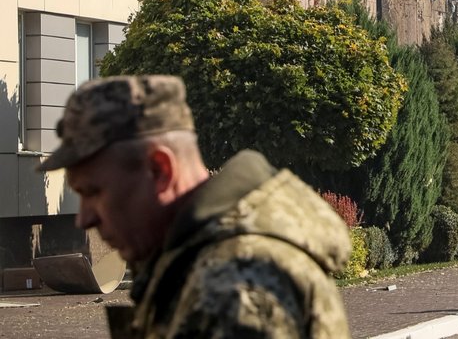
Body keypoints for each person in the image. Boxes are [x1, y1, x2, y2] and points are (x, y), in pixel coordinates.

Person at [37, 75, 352, 339]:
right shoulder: (198, 262)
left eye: (94, 191)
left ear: (161, 171)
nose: (84, 217)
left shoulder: (235, 286)